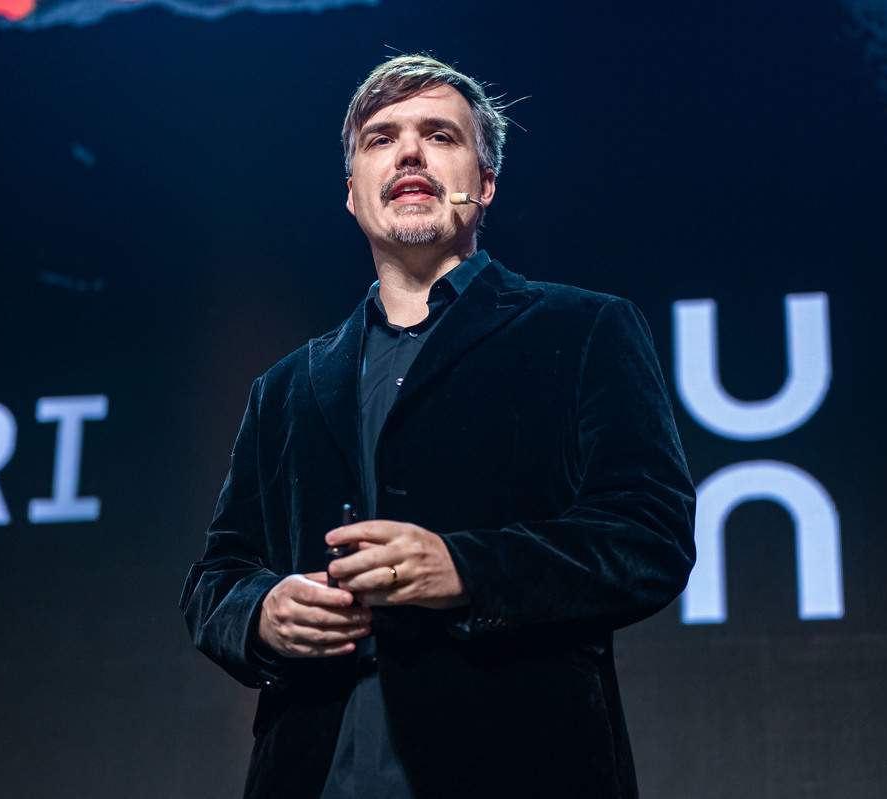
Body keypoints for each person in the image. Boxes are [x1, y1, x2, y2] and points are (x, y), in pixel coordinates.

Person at [180, 54, 696, 799]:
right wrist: (261, 613)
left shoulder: (586, 330)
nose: (410, 153)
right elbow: (216, 579)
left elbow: (648, 538)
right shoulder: (285, 387)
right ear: (352, 193)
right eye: (381, 138)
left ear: (483, 184)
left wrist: (465, 569)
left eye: (440, 135)